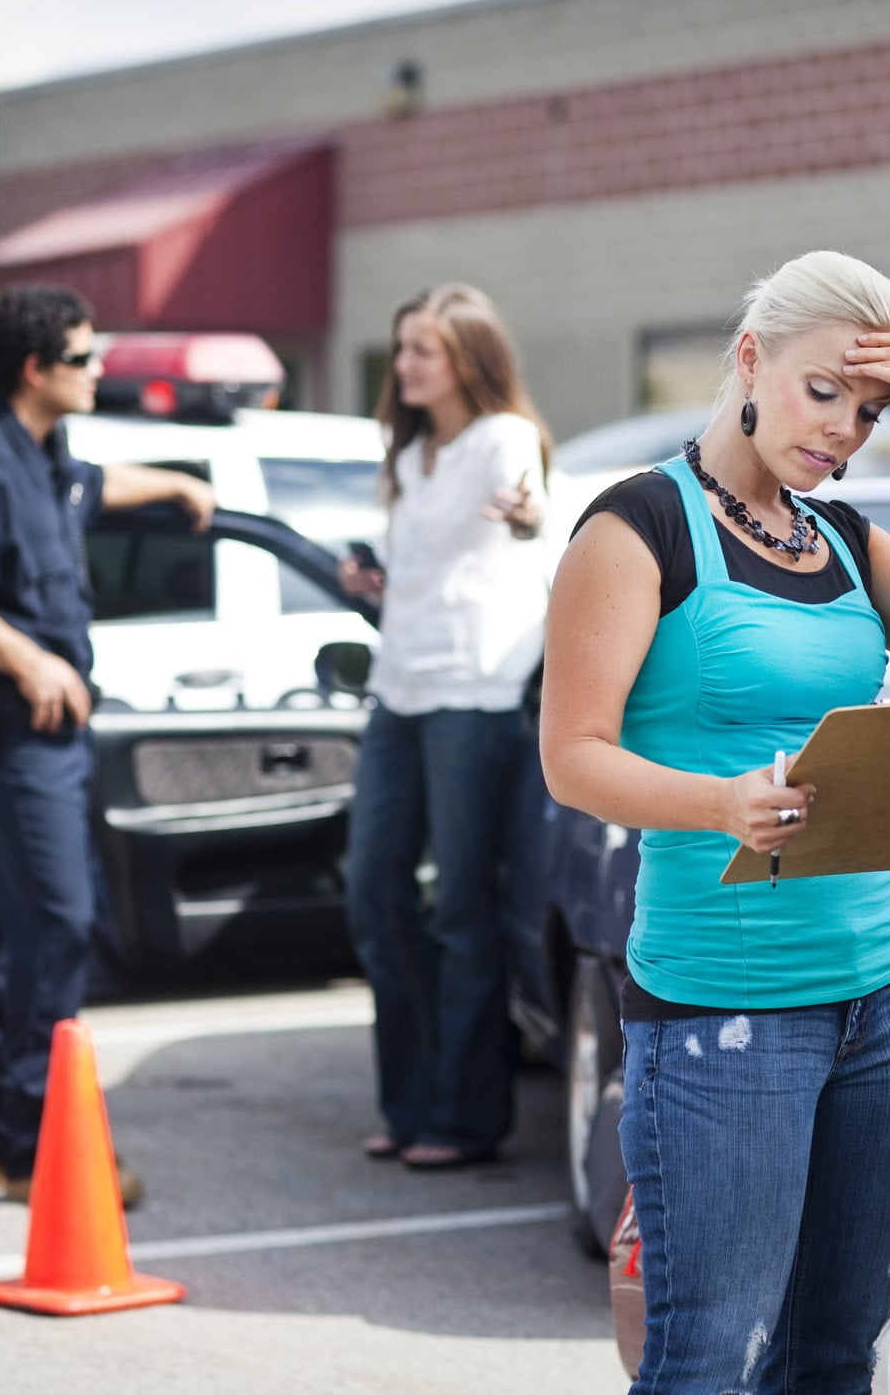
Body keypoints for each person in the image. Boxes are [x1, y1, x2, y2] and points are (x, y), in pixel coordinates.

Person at [540, 250, 890, 1391]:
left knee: (830, 1353)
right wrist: (721, 803)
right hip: (728, 1006)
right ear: (751, 359)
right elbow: (572, 758)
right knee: (713, 1356)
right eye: (826, 393)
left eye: (868, 410)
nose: (843, 430)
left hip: (889, 992)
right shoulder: (639, 525)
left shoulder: (841, 538)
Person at [0, 285, 216, 1205]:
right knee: (60, 924)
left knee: (18, 923)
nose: (99, 372)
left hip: (55, 738)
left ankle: (4, 1135)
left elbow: (92, 490)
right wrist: (33, 663)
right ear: (36, 370)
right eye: (84, 359)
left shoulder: (45, 456)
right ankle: (46, 1145)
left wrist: (172, 483)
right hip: (16, 734)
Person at [340, 283, 553, 1170]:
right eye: (401, 349)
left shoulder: (502, 439)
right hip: (399, 689)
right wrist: (373, 581)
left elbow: (533, 512)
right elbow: (417, 568)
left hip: (474, 695)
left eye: (421, 349)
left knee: (462, 909)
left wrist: (530, 512)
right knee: (373, 893)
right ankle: (410, 1101)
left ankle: (463, 1119)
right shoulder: (411, 452)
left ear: (466, 356)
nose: (404, 365)